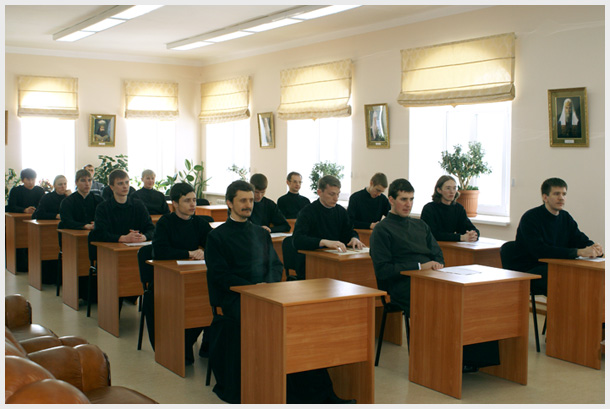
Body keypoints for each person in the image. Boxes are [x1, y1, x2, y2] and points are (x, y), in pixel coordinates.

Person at [205, 180, 355, 404]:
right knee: (274, 323)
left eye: (250, 200)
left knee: (300, 325)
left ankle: (320, 395)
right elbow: (220, 275)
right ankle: (284, 392)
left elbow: (276, 266)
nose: (248, 205)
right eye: (242, 200)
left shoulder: (260, 233)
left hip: (268, 293)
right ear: (229, 203)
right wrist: (253, 289)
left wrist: (268, 284)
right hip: (237, 297)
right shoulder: (216, 236)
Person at [369, 178, 498, 372]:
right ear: (391, 200)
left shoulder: (420, 225)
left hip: (431, 277)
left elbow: (437, 253)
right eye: (403, 199)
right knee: (440, 301)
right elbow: (383, 270)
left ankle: (470, 359)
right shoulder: (382, 229)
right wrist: (419, 266)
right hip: (402, 284)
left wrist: (437, 265)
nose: (408, 204)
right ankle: (440, 361)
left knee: (467, 297)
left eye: (411, 199)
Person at [149, 182, 212, 364]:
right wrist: (189, 253)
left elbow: (215, 244)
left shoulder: (199, 223)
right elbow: (159, 251)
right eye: (187, 201)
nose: (192, 204)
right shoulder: (165, 223)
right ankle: (178, 347)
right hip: (168, 279)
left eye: (194, 200)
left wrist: (205, 252)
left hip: (193, 276)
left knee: (207, 301)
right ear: (175, 203)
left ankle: (207, 346)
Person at [512, 177, 603, 296]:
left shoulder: (565, 217)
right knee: (569, 279)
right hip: (531, 268)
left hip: (556, 266)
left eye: (564, 194)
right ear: (545, 197)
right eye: (556, 194)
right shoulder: (530, 218)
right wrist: (578, 252)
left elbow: (579, 238)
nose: (561, 198)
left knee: (586, 277)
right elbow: (539, 251)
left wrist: (594, 247)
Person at [292, 175, 364, 280]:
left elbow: (349, 231)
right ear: (319, 192)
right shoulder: (307, 212)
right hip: (312, 264)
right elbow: (297, 240)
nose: (336, 198)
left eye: (338, 194)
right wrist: (323, 242)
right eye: (331, 194)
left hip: (336, 260)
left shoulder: (341, 211)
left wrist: (354, 238)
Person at [90, 169, 155, 244]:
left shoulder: (138, 205)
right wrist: (123, 238)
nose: (125, 186)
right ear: (112, 187)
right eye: (120, 183)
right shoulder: (103, 208)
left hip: (136, 246)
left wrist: (144, 237)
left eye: (127, 182)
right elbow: (99, 234)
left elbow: (151, 229)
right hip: (112, 248)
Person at [420, 175, 480, 242]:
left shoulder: (458, 208)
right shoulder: (429, 209)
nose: (452, 192)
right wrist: (460, 237)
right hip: (433, 246)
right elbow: (433, 234)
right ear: (439, 190)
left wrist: (473, 234)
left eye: (454, 188)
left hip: (451, 246)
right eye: (448, 188)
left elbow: (469, 228)